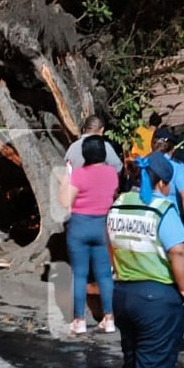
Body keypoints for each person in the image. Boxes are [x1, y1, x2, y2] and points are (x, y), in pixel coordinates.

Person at [107, 153, 184, 368]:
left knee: (132, 360)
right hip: (156, 298)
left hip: (124, 293)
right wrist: (183, 288)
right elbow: (179, 251)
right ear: (160, 181)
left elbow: (110, 245)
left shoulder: (118, 204)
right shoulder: (161, 208)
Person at [58, 134, 120, 335]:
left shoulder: (79, 175)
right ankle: (109, 318)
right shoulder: (112, 174)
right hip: (102, 226)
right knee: (104, 274)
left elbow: (65, 201)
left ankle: (79, 320)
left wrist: (66, 179)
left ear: (84, 154)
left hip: (79, 227)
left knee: (80, 274)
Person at [149, 127, 184, 234]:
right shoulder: (177, 167)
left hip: (143, 219)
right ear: (173, 149)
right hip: (169, 219)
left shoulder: (142, 163)